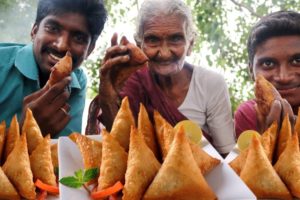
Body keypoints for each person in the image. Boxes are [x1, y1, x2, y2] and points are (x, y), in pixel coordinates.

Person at [90, 0, 235, 156]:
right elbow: (120, 150)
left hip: (203, 177)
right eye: (153, 40)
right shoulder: (132, 84)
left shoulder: (211, 84)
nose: (164, 53)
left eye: (176, 39)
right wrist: (107, 97)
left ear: (190, 44)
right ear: (140, 45)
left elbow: (226, 154)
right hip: (142, 177)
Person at [0, 0, 107, 138]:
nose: (61, 46)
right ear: (34, 31)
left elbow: (62, 151)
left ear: (90, 50)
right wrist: (23, 133)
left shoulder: (77, 82)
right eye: (53, 28)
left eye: (79, 38)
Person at [234, 10, 300, 138]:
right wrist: (266, 138)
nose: (283, 77)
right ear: (251, 71)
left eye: (297, 61)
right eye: (268, 64)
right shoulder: (249, 114)